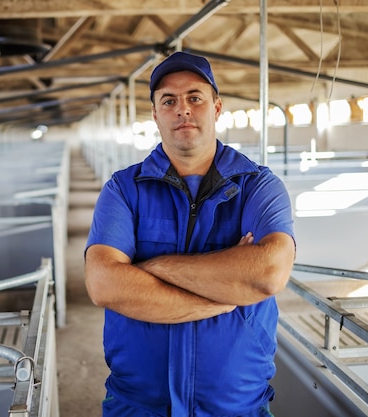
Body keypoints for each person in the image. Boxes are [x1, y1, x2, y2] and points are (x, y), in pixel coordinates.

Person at [84, 51, 296, 417]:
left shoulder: (258, 186)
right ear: (155, 114)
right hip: (139, 405)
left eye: (194, 97)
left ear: (216, 107)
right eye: (169, 100)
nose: (182, 109)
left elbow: (268, 273)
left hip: (236, 407)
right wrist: (224, 298)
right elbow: (104, 283)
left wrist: (150, 268)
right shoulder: (123, 189)